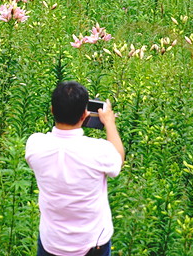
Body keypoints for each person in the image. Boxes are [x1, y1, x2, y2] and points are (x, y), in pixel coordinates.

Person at [25, 81, 125, 256]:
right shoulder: (99, 150)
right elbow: (118, 160)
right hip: (93, 243)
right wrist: (109, 123)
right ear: (85, 114)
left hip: (52, 243)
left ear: (52, 110)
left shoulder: (35, 145)